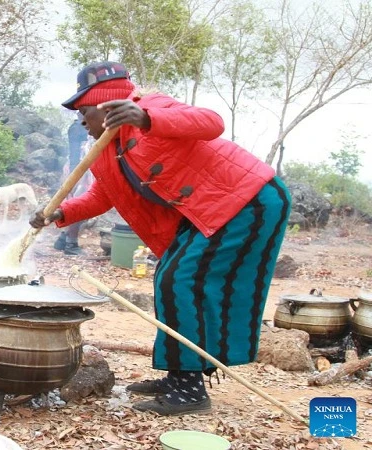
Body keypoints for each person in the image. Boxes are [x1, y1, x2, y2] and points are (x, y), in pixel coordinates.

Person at [30, 61, 291, 415]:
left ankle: (190, 389)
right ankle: (181, 375)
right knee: (170, 279)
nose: (80, 121)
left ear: (107, 108)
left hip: (247, 200)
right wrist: (60, 213)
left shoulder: (154, 108)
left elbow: (212, 122)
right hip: (206, 211)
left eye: (83, 111)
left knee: (179, 279)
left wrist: (144, 118)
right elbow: (103, 196)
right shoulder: (105, 153)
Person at [53, 120, 92, 255]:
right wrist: (75, 178)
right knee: (79, 208)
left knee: (80, 207)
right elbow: (77, 156)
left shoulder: (80, 125)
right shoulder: (79, 127)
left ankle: (63, 239)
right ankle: (71, 244)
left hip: (80, 170)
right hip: (81, 172)